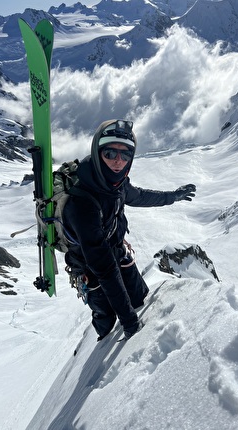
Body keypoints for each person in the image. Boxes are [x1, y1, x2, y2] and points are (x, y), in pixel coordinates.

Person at [63, 119, 196, 341]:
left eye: (125, 155)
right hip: (89, 263)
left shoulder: (117, 184)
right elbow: (104, 268)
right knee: (106, 318)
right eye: (110, 153)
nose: (118, 161)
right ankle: (98, 351)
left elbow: (140, 196)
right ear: (97, 152)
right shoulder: (82, 202)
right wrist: (130, 323)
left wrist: (173, 196)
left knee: (140, 298)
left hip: (115, 249)